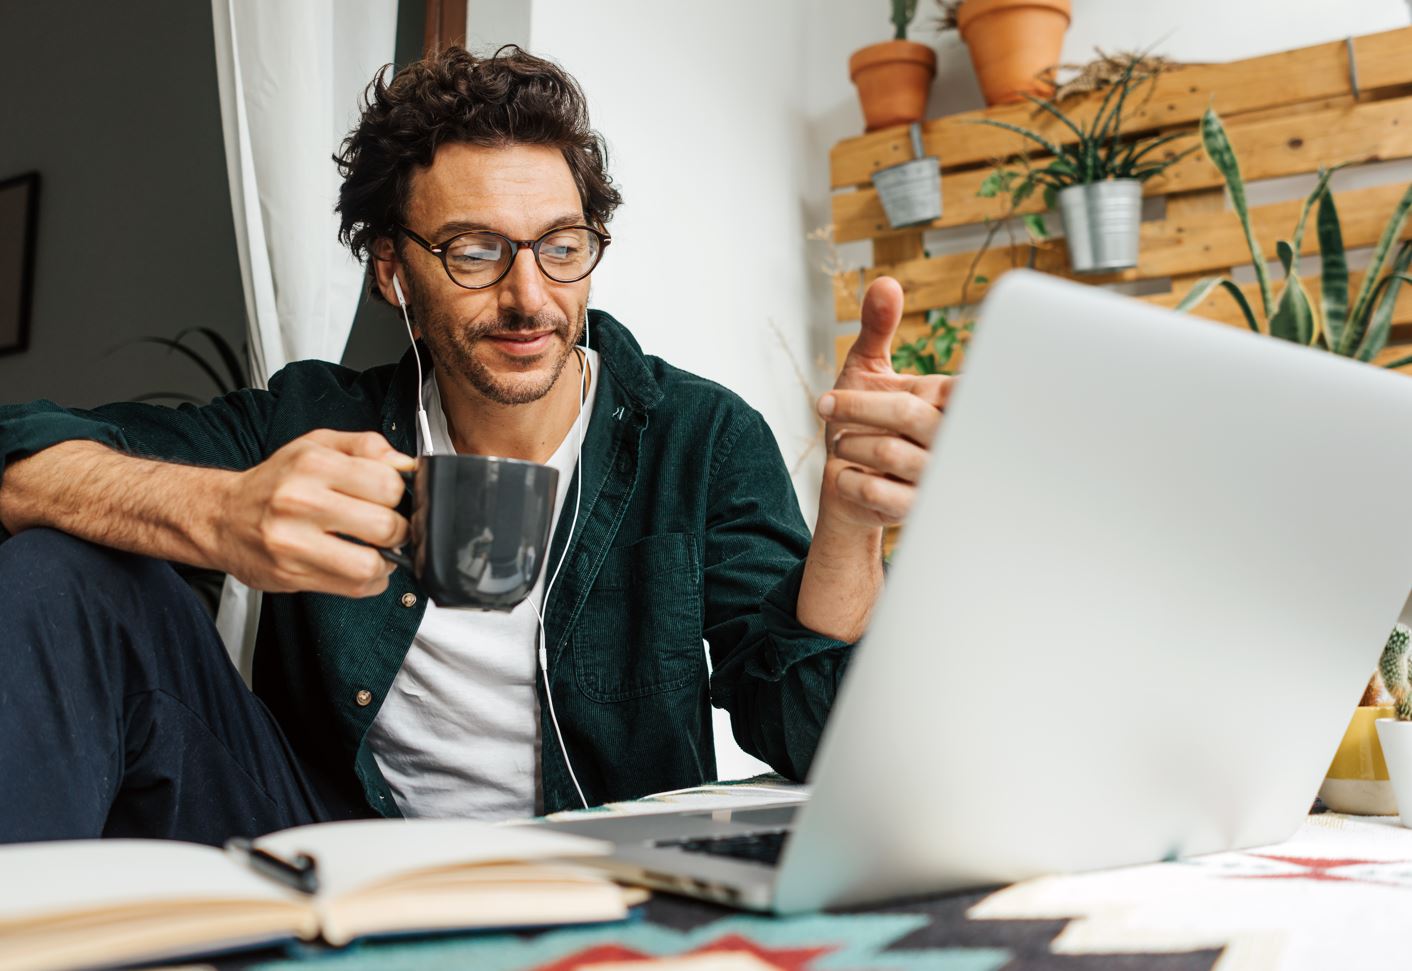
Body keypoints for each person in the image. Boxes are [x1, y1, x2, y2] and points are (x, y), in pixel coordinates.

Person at [0, 46, 950, 844]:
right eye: (475, 251)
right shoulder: (309, 421)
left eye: (561, 246)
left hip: (595, 870)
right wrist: (221, 513)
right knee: (61, 571)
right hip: (327, 846)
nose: (530, 296)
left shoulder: (697, 435)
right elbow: (20, 450)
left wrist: (853, 524)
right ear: (392, 271)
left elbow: (817, 737)